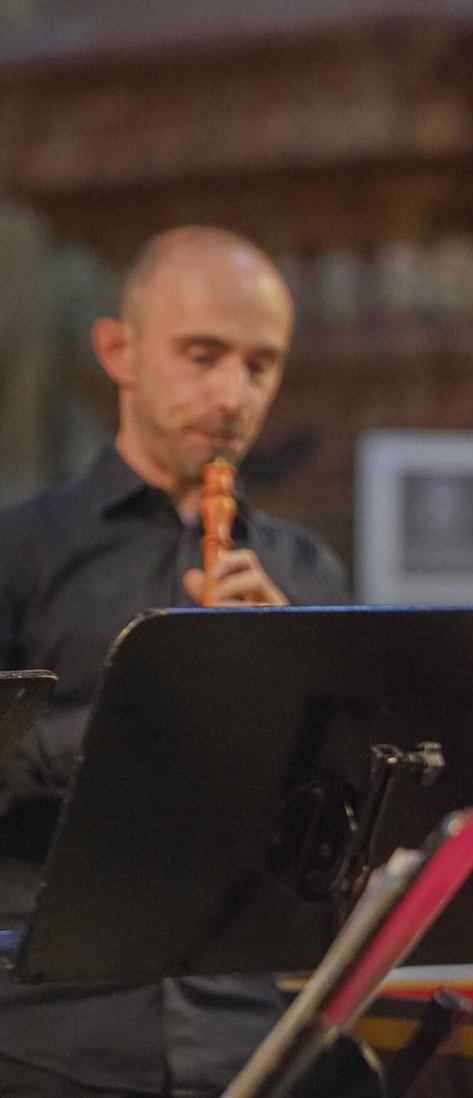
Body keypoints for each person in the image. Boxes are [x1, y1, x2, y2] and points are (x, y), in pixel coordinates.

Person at [0, 227, 347, 1097]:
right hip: (46, 1033)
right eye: (202, 356)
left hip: (245, 1033)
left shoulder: (307, 575)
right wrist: (157, 710)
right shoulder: (22, 552)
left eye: (260, 365)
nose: (233, 394)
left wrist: (294, 689)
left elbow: (331, 842)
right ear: (118, 351)